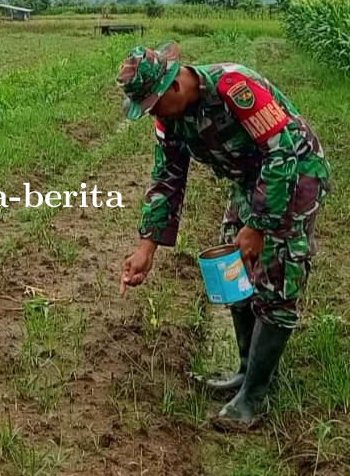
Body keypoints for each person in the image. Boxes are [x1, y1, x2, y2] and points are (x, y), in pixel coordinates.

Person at [116, 42, 331, 426]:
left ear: (175, 88)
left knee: (278, 276)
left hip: (295, 174)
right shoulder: (169, 120)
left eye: (154, 105)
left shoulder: (235, 87)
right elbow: (166, 180)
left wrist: (259, 226)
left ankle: (256, 396)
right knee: (231, 268)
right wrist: (146, 247)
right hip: (250, 181)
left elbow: (280, 154)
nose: (153, 115)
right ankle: (248, 371)